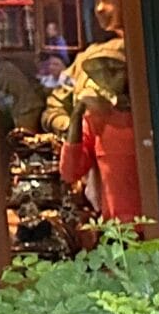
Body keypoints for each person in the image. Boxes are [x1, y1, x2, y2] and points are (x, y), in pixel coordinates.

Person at [59, 51, 144, 224]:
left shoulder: (149, 114)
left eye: (116, 70)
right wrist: (76, 116)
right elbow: (69, 172)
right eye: (101, 72)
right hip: (117, 229)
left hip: (155, 224)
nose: (107, 77)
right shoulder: (96, 119)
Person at [45, 0, 128, 135]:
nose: (100, 8)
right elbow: (54, 108)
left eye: (108, 0)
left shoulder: (142, 52)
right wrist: (71, 127)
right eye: (97, 1)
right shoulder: (84, 58)